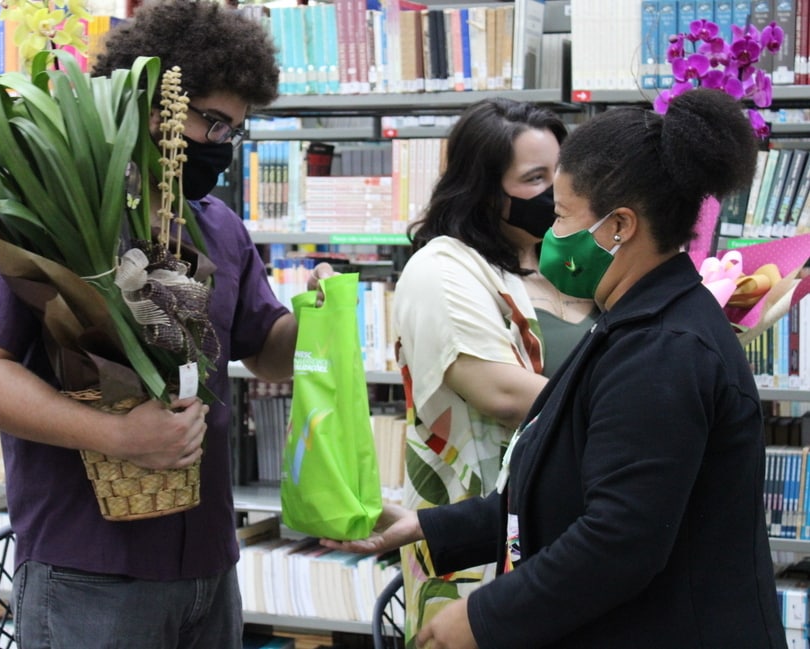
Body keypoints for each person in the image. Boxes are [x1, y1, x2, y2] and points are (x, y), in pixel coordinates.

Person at [324, 88, 787, 648]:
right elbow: (563, 489)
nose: (551, 230)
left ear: (619, 227)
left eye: (563, 214)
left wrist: (479, 617)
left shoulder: (663, 349)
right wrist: (430, 526)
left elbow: (619, 539)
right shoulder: (631, 322)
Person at [0, 2, 301, 647]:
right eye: (211, 122)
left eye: (235, 132)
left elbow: (267, 355)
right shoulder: (54, 209)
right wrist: (119, 436)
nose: (219, 145)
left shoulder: (219, 226)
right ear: (147, 103)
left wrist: (320, 320)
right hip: (90, 566)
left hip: (211, 562)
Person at [392, 97, 596, 639]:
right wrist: (627, 409)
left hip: (570, 535)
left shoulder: (571, 264)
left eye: (562, 173)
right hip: (477, 539)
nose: (556, 193)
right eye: (535, 178)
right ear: (482, 189)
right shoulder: (443, 269)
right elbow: (500, 391)